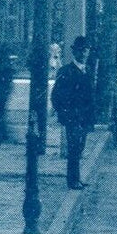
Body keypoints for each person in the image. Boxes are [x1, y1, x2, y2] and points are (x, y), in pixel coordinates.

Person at [51, 37, 94, 190]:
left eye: (86, 50)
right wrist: (64, 113)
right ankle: (72, 181)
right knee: (74, 148)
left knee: (80, 148)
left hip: (84, 117)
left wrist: (90, 118)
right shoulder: (66, 71)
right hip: (72, 117)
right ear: (74, 52)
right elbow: (56, 95)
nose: (83, 53)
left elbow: (90, 97)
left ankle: (77, 178)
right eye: (80, 50)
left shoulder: (88, 70)